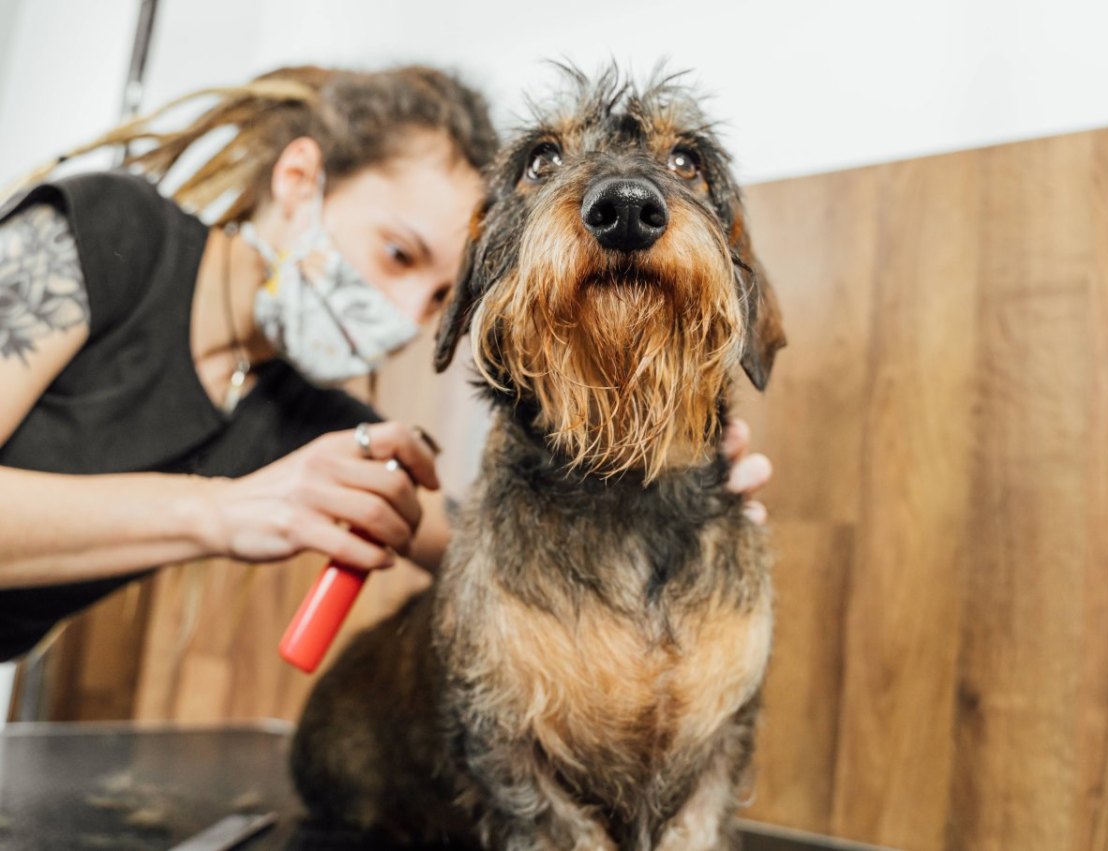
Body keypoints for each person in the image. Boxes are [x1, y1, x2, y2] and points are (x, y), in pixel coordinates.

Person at [0, 64, 772, 662]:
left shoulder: (302, 422)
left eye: (439, 295)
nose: (406, 316)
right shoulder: (109, 235)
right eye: (398, 254)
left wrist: (680, 496)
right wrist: (222, 510)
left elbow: (483, 549)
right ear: (300, 180)